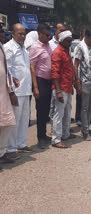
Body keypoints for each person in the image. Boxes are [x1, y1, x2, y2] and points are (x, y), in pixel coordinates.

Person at [5, 24, 33, 159]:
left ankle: (21, 143)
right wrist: (11, 91)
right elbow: (7, 71)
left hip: (26, 89)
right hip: (16, 91)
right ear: (13, 33)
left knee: (24, 119)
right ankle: (10, 148)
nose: (22, 36)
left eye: (24, 34)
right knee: (14, 121)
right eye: (20, 34)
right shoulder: (9, 48)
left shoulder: (24, 48)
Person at [74, 29, 91, 141]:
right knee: (84, 107)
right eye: (90, 39)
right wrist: (77, 82)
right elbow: (75, 65)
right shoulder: (80, 48)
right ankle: (85, 131)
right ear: (85, 37)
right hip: (84, 82)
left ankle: (86, 127)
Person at [28, 24, 53, 149]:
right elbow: (32, 67)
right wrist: (36, 87)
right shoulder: (35, 47)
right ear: (40, 34)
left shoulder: (48, 46)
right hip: (40, 81)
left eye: (50, 35)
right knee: (41, 111)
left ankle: (44, 134)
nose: (49, 37)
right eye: (47, 35)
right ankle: (40, 138)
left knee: (46, 110)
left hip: (49, 81)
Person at [51, 30, 75, 148]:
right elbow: (55, 74)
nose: (70, 43)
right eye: (68, 41)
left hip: (68, 87)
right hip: (61, 88)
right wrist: (58, 91)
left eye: (71, 41)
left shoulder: (66, 51)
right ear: (62, 41)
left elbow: (69, 70)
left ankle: (66, 134)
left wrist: (72, 86)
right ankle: (56, 139)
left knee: (67, 112)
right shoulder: (57, 52)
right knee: (59, 114)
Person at [0, 38, 18, 167]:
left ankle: (1, 153)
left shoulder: (1, 46)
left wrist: (11, 88)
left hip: (4, 91)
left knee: (8, 122)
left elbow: (6, 69)